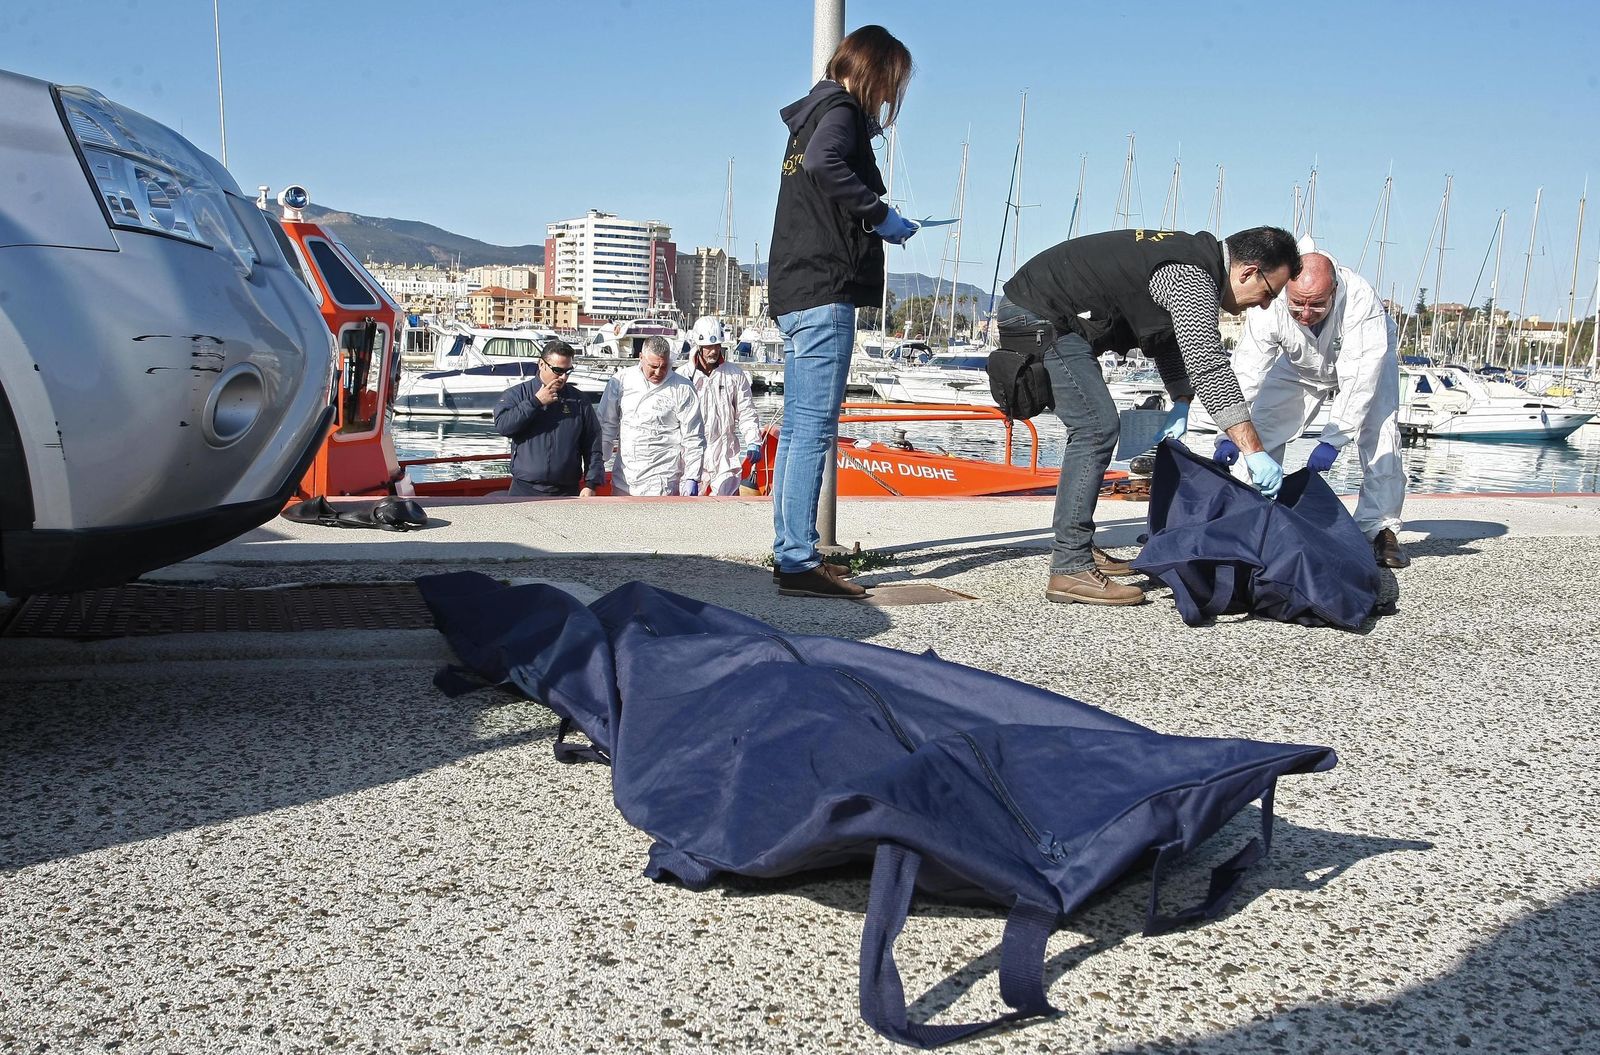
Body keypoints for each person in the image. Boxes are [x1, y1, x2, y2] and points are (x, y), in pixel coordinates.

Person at [998, 226, 1302, 606]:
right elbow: (1208, 364)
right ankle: (1070, 566)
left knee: (1095, 428)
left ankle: (1077, 548)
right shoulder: (1193, 275)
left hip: (1043, 309)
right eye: (1269, 293)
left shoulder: (1191, 260)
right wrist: (1253, 452)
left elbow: (1165, 337)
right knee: (1095, 429)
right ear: (1248, 272)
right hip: (1039, 314)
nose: (1265, 305)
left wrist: (1181, 400)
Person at [767, 23, 915, 599]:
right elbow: (825, 164)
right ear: (875, 72)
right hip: (824, 286)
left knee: (798, 429)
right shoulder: (841, 112)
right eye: (891, 84)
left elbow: (817, 169)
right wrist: (880, 215)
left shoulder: (809, 115)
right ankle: (798, 561)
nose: (889, 97)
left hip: (794, 286)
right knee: (812, 431)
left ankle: (792, 551)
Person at [1216, 246, 1409, 568]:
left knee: (1381, 436)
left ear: (1334, 290)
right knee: (1259, 425)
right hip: (1299, 364)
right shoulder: (1270, 300)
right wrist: (1228, 430)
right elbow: (1248, 368)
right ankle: (1248, 512)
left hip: (1368, 362)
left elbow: (1359, 377)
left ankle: (1381, 529)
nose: (1305, 314)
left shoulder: (1361, 299)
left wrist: (1334, 438)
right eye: (1297, 304)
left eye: (1317, 304)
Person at [491, 341, 604, 497]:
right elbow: (503, 426)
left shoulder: (579, 400)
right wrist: (535, 402)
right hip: (524, 490)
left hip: (567, 491)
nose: (563, 377)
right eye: (558, 370)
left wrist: (591, 483)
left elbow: (593, 443)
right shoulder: (517, 394)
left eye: (568, 371)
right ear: (541, 364)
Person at [597, 336, 705, 496]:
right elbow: (607, 425)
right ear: (641, 357)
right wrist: (599, 461)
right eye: (653, 366)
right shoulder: (621, 381)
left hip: (663, 480)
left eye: (664, 366)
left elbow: (693, 436)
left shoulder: (683, 388)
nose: (658, 372)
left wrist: (692, 476)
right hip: (625, 478)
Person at [677, 316, 761, 496]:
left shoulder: (734, 375)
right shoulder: (683, 377)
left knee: (726, 505)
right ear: (699, 346)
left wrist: (753, 440)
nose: (714, 351)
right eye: (709, 347)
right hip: (692, 454)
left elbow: (746, 412)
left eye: (717, 346)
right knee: (689, 506)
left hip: (725, 453)